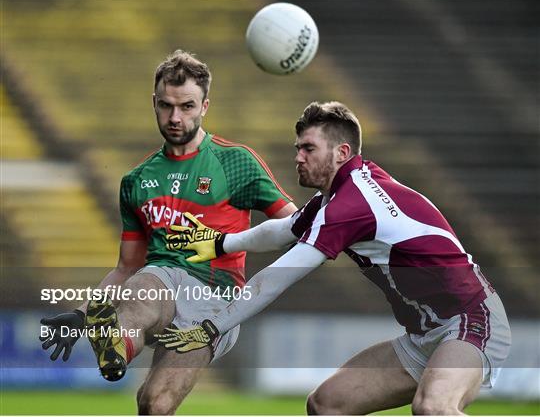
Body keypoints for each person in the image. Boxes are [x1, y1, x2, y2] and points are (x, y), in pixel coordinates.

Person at [158, 101, 511, 415]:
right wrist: (223, 244)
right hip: (425, 333)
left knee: (433, 408)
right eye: (298, 148)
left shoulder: (352, 204)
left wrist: (212, 326)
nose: (298, 156)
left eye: (309, 148)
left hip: (470, 318)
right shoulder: (342, 192)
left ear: (341, 152)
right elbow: (283, 230)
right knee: (327, 404)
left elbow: (278, 277)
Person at [39, 49, 297, 415]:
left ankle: (117, 340)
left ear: (205, 105)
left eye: (187, 107)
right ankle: (117, 346)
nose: (175, 117)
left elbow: (295, 224)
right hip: (159, 281)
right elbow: (126, 269)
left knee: (155, 403)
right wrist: (82, 313)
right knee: (147, 283)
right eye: (166, 106)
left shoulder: (236, 162)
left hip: (217, 298)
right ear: (154, 103)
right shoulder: (136, 181)